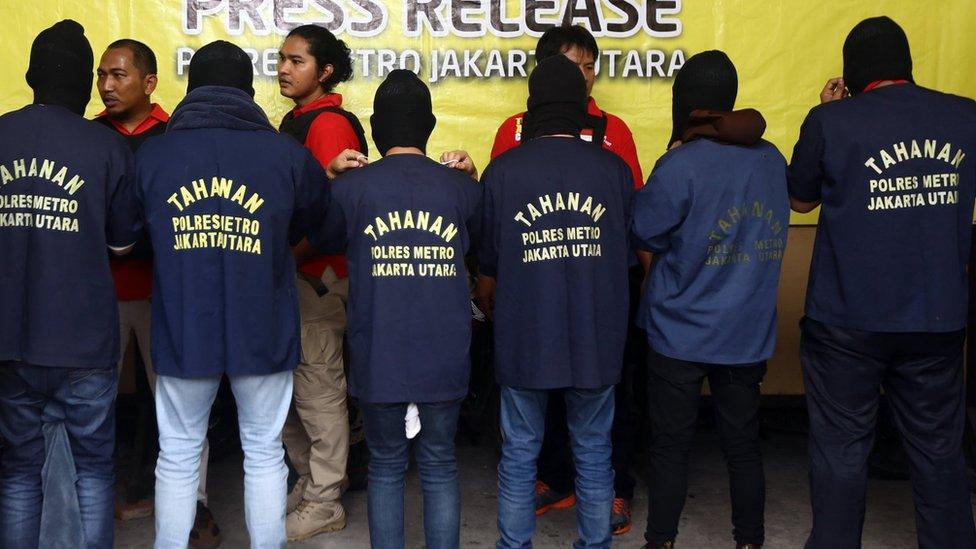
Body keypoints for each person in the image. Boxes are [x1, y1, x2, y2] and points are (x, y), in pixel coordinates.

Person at [787, 16, 976, 549]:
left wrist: (829, 113)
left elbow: (800, 199)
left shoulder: (832, 121)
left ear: (853, 73)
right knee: (940, 453)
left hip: (846, 322)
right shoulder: (966, 118)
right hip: (936, 318)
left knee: (842, 452)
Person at [134, 40, 330, 548]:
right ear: (247, 90)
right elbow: (315, 219)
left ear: (191, 89)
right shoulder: (285, 154)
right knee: (264, 451)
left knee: (177, 451)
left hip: (183, 324)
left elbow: (129, 233)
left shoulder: (153, 154)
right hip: (261, 321)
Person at [313, 68, 481, 549]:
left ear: (376, 126)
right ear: (428, 126)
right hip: (445, 351)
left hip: (378, 350)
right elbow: (487, 242)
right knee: (439, 463)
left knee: (386, 465)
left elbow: (321, 237)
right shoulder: (461, 189)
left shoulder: (350, 190)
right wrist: (471, 176)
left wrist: (329, 178)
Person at [491, 24, 646, 534]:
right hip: (592, 329)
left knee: (518, 452)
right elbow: (626, 251)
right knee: (592, 448)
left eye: (589, 65)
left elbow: (491, 259)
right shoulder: (610, 170)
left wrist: (493, 307)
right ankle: (592, 539)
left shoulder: (508, 170)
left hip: (526, 328)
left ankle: (514, 545)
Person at [633, 50, 788, 549]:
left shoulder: (680, 165)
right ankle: (750, 540)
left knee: (671, 447)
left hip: (678, 333)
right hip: (746, 333)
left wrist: (671, 153)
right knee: (743, 446)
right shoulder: (770, 159)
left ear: (686, 104)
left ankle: (661, 541)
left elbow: (644, 230)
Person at [0, 20, 141, 549]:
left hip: (11, 337)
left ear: (32, 76)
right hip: (83, 338)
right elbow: (123, 244)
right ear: (86, 83)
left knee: (17, 469)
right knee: (94, 470)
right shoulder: (106, 148)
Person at [95, 39, 222, 547]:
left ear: (149, 82)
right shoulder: (90, 137)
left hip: (165, 296)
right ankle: (92, 501)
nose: (107, 85)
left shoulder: (174, 137)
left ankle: (197, 508)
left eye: (119, 75)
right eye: (102, 74)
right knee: (90, 406)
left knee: (181, 409)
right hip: (99, 293)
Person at [276, 24, 366, 539]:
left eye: (297, 61)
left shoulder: (327, 124)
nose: (284, 69)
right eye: (282, 59)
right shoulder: (298, 119)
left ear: (325, 71)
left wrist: (286, 258)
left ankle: (326, 498)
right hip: (297, 274)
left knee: (318, 391)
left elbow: (334, 218)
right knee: (293, 390)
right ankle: (310, 484)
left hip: (318, 277)